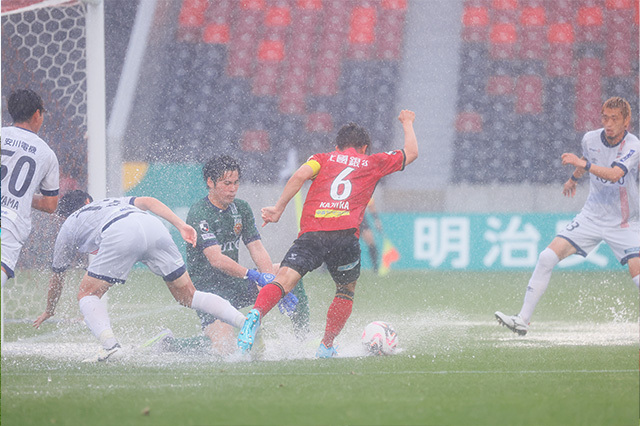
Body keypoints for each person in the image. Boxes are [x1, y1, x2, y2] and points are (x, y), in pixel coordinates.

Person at [237, 109, 418, 357]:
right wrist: (407, 122)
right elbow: (412, 153)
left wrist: (278, 208)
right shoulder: (372, 162)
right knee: (345, 290)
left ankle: (255, 315)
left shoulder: (322, 158)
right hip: (344, 236)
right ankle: (326, 346)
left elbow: (300, 175)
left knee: (284, 280)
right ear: (364, 148)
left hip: (313, 233)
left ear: (337, 146)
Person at [32, 191, 248, 362]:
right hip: (153, 226)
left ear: (63, 215)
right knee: (189, 296)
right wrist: (181, 225)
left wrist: (50, 309)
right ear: (88, 201)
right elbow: (149, 202)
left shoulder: (68, 225)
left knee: (87, 294)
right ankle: (244, 322)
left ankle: (110, 347)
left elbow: (57, 276)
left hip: (121, 232)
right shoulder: (110, 202)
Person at [495, 97, 640, 335]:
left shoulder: (633, 145)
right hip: (591, 217)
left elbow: (615, 174)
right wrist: (574, 178)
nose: (608, 123)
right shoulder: (590, 139)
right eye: (605, 118)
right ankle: (522, 320)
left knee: (637, 277)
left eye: (615, 119)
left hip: (624, 222)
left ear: (626, 121)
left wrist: (581, 164)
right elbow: (588, 162)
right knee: (546, 257)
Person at [149, 155, 309, 355]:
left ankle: (303, 338)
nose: (233, 189)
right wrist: (254, 275)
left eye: (236, 183)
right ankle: (168, 344)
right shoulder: (200, 212)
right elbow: (216, 259)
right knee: (224, 349)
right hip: (209, 292)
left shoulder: (241, 208)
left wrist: (271, 281)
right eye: (227, 183)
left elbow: (256, 248)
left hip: (236, 283)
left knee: (289, 273)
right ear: (210, 182)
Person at [1, 89, 59, 287]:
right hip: (8, 225)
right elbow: (51, 204)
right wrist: (25, 196)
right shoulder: (46, 153)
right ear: (37, 114)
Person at [360, 198, 384, 273]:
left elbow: (371, 206)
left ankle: (375, 267)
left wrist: (376, 220)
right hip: (347, 216)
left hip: (360, 217)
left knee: (371, 242)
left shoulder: (364, 192)